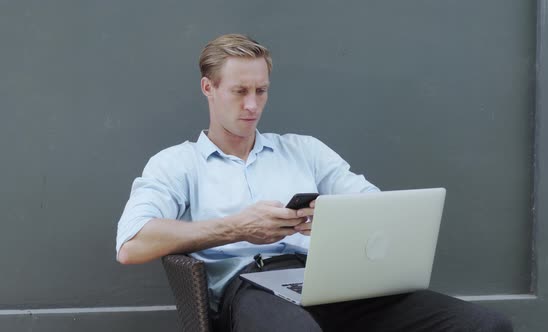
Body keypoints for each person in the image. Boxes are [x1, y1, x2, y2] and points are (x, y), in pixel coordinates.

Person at [116, 34, 513, 332]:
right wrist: (238, 227)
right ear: (209, 88)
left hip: (327, 280)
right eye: (239, 91)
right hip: (246, 288)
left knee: (485, 325)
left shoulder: (304, 150)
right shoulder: (177, 164)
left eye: (261, 91)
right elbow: (132, 245)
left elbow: (375, 207)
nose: (252, 105)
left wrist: (339, 219)